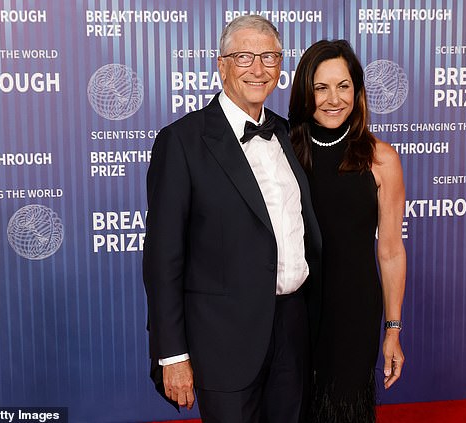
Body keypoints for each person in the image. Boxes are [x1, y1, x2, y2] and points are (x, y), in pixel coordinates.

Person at [142, 15, 321, 423]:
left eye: (269, 57)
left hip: (292, 333)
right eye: (244, 57)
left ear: (280, 65)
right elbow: (162, 258)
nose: (258, 69)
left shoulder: (287, 133)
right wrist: (172, 354)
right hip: (223, 342)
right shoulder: (182, 141)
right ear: (221, 65)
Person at [289, 39, 407, 422]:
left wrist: (392, 329)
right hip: (292, 312)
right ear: (306, 92)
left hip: (354, 312)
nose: (333, 99)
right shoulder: (283, 152)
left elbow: (389, 251)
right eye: (321, 87)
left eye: (343, 86)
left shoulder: (381, 159)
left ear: (357, 91)